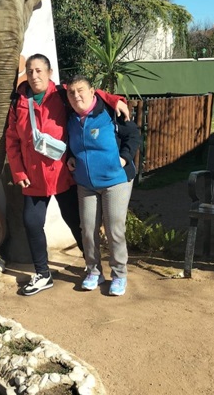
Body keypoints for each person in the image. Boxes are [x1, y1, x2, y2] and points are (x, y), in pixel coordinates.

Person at [5, 54, 129, 296]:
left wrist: (115, 99)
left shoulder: (62, 94)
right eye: (30, 71)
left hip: (64, 173)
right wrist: (18, 171)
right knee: (32, 222)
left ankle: (93, 269)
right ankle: (43, 274)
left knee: (78, 223)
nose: (34, 75)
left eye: (39, 70)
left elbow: (91, 94)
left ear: (49, 73)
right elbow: (12, 139)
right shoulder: (18, 101)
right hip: (33, 175)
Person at [66, 75, 140, 296]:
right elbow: (71, 143)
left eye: (81, 90)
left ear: (92, 92)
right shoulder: (70, 117)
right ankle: (93, 271)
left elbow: (133, 135)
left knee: (114, 228)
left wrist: (124, 158)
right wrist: (70, 157)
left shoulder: (110, 112)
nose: (76, 96)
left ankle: (119, 275)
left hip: (115, 181)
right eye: (71, 92)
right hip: (85, 183)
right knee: (88, 229)